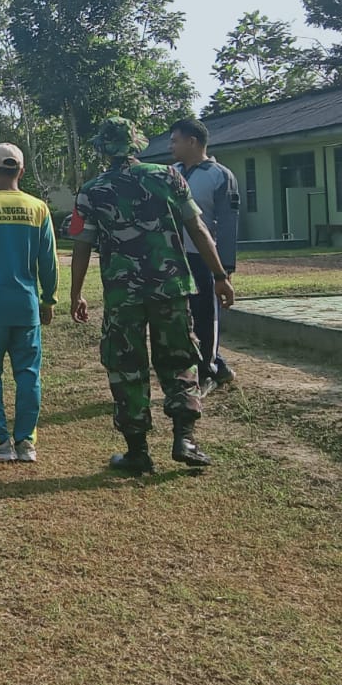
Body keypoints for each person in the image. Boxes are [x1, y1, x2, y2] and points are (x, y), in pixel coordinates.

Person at [69, 117, 235, 474]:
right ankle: (185, 439)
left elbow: (82, 246)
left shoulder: (92, 190)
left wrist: (76, 294)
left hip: (122, 294)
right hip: (170, 288)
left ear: (102, 148)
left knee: (126, 367)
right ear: (136, 144)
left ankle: (137, 451)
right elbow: (198, 228)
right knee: (178, 361)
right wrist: (220, 276)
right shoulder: (169, 177)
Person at [0, 144, 58, 464]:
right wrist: (49, 298)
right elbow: (49, 261)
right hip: (27, 306)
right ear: (21, 171)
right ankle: (27, 443)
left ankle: (0, 441)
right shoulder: (39, 209)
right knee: (29, 374)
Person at [168, 118, 241, 397]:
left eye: (175, 140)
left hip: (203, 259)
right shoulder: (170, 172)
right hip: (174, 258)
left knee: (205, 315)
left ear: (192, 142)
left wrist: (225, 268)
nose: (171, 146)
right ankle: (215, 365)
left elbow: (227, 224)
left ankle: (208, 371)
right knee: (180, 318)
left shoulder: (220, 175)